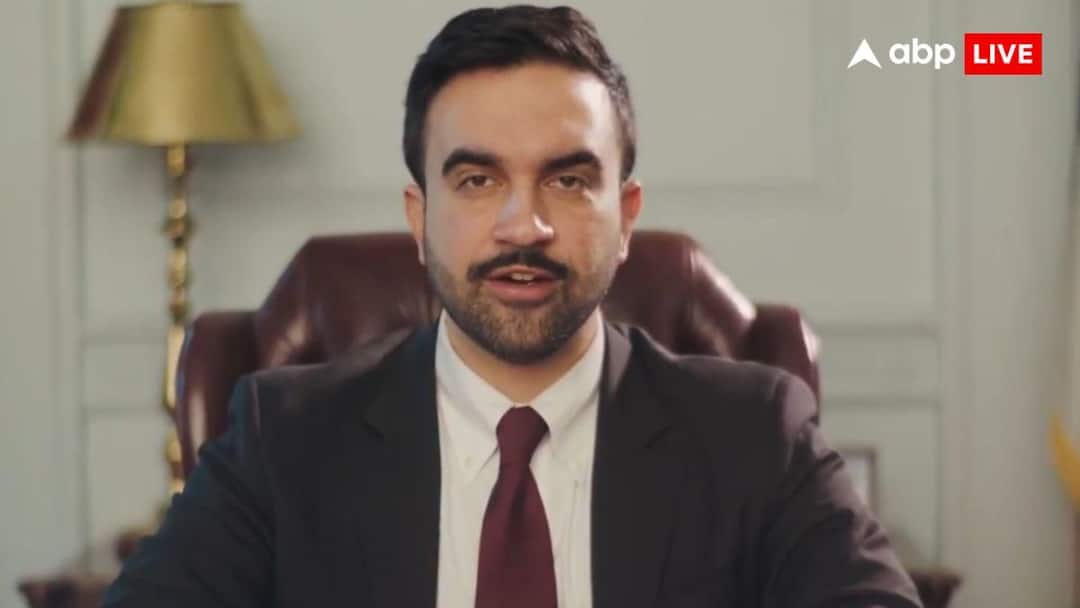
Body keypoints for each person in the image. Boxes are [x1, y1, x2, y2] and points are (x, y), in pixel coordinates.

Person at [102, 5, 921, 607]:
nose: (523, 226)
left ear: (625, 217)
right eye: (476, 179)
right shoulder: (283, 441)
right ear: (421, 218)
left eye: (567, 179)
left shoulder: (756, 435)